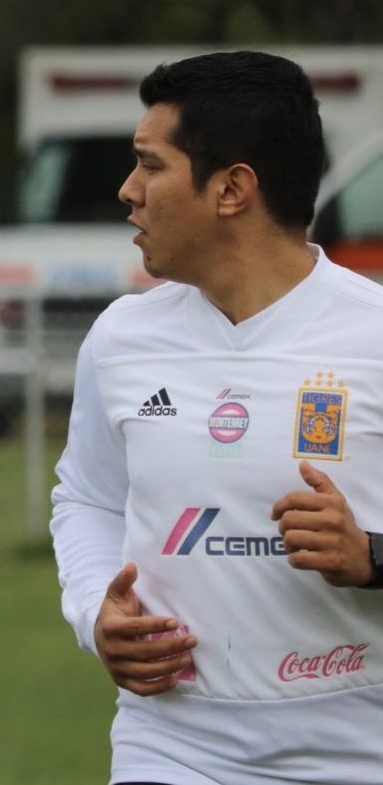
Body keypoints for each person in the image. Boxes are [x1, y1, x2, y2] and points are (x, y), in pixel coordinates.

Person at [51, 50, 383, 785]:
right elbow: (88, 498)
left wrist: (372, 558)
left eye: (151, 166)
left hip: (360, 740)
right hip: (172, 742)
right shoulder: (121, 339)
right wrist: (94, 616)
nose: (127, 191)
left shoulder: (374, 334)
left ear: (232, 188)